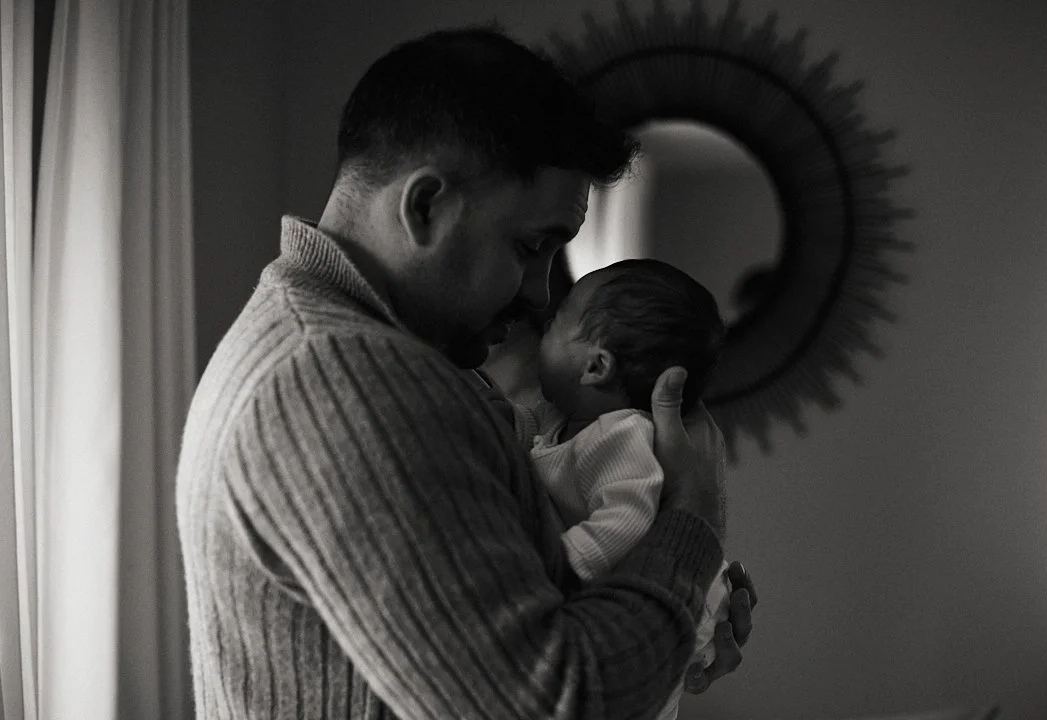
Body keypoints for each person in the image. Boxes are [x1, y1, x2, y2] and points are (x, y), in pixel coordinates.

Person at [175, 26, 756, 720]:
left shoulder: (346, 352)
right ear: (425, 206)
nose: (542, 293)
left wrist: (666, 637)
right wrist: (692, 520)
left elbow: (525, 633)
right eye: (531, 246)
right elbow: (554, 703)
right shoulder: (351, 383)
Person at [507, 258, 732, 719]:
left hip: (673, 598)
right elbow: (526, 435)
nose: (543, 326)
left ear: (596, 366)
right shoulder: (561, 420)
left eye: (556, 323)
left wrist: (560, 566)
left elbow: (627, 517)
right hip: (649, 590)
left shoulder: (620, 436)